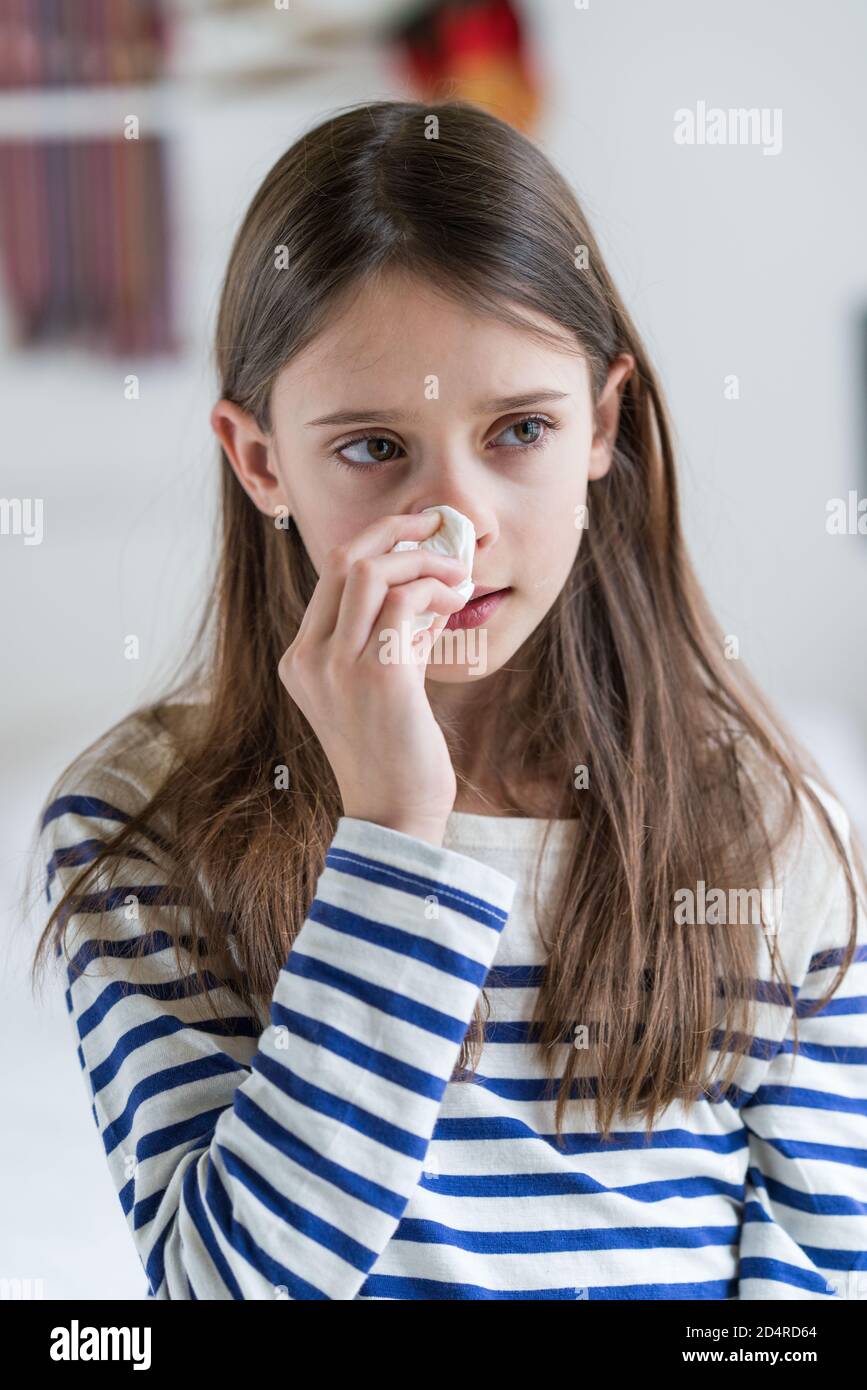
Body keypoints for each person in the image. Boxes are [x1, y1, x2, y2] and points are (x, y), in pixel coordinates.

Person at [30, 99, 867, 1301]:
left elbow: (823, 1276)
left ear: (603, 422)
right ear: (261, 459)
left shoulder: (773, 830)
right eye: (375, 449)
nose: (455, 531)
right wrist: (387, 835)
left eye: (519, 428)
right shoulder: (139, 826)